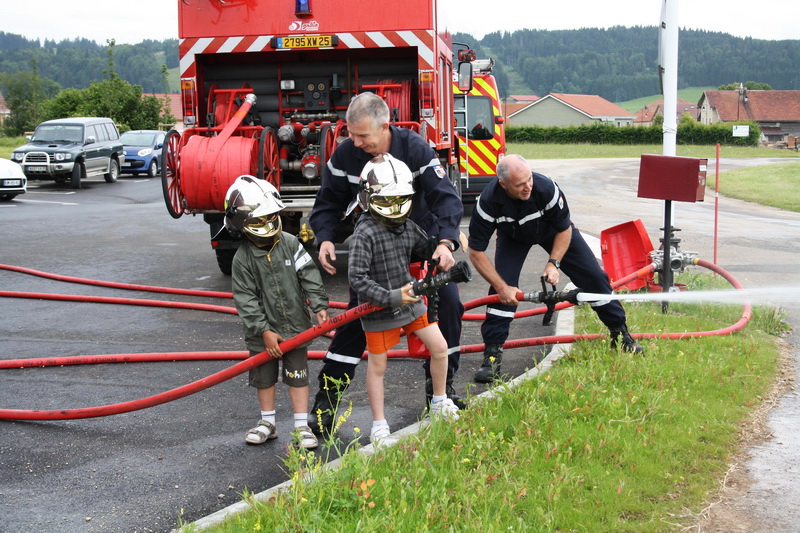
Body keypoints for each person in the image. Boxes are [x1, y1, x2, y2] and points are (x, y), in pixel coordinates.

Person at [308, 91, 465, 435]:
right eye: (351, 133)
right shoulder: (347, 154)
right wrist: (326, 238)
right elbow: (328, 200)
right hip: (376, 248)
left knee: (450, 305)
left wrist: (444, 242)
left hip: (418, 240)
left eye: (363, 135)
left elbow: (446, 198)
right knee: (354, 319)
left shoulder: (417, 150)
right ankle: (327, 401)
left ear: (385, 126)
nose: (356, 142)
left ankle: (441, 392)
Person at [468, 154, 644, 382]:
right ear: (503, 184)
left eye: (529, 179)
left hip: (553, 231)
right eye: (520, 184)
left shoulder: (546, 188)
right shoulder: (487, 202)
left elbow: (564, 228)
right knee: (501, 289)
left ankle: (620, 335)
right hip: (513, 237)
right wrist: (502, 287)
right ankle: (492, 355)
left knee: (594, 277)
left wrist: (554, 263)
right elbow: (475, 252)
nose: (527, 187)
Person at [348, 153, 460, 445]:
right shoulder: (364, 232)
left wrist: (444, 247)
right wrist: (389, 297)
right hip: (379, 309)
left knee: (439, 347)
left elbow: (426, 248)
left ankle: (439, 402)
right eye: (386, 201)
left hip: (411, 301)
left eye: (401, 200)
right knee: (378, 367)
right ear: (368, 197)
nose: (395, 208)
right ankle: (379, 425)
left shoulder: (407, 225)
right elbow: (357, 279)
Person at [225, 175, 330, 449]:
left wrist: (319, 305)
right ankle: (267, 422)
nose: (268, 224)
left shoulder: (291, 243)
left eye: (271, 217)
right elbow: (246, 299)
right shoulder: (242, 259)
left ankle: (300, 425)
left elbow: (308, 275)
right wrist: (264, 330)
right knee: (264, 378)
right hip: (262, 336)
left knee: (298, 376)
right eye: (260, 220)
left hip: (295, 327)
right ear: (242, 223)